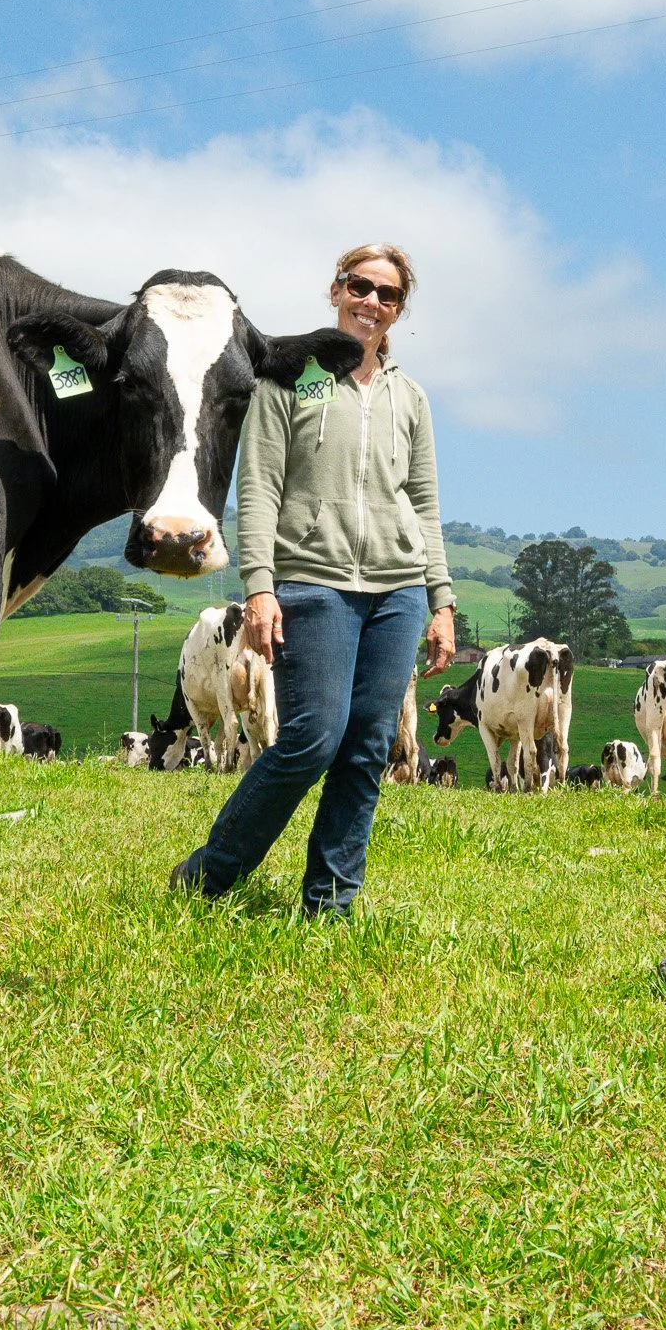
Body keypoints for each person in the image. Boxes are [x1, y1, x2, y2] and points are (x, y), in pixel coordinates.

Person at [170, 242, 455, 916]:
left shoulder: (408, 397)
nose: (371, 303)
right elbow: (260, 486)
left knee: (366, 750)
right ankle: (209, 876)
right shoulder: (288, 381)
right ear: (335, 291)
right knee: (311, 738)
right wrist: (261, 586)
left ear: (398, 310)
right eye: (360, 287)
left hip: (397, 591)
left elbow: (424, 502)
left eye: (387, 295)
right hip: (311, 584)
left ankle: (329, 903)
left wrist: (440, 601)